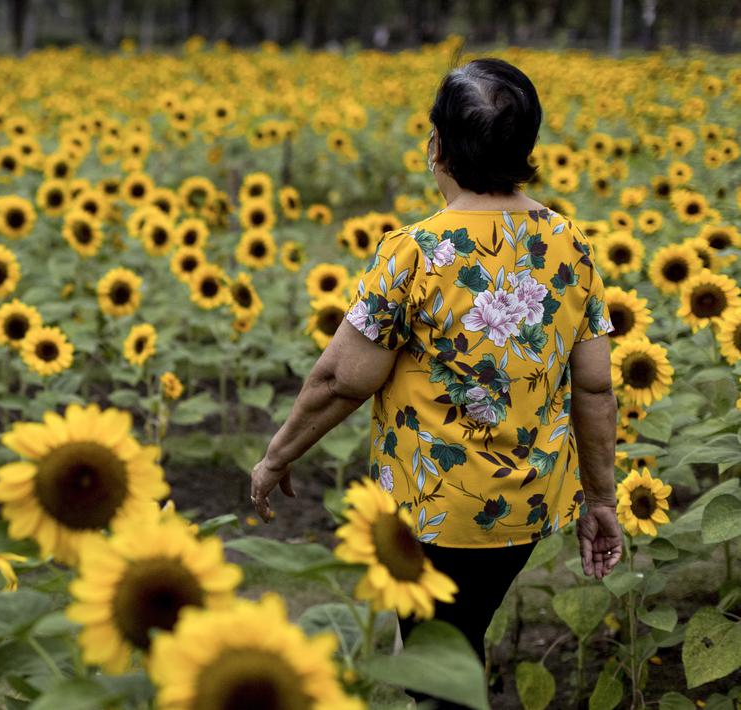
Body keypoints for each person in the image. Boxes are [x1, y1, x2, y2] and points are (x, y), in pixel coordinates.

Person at [251, 57, 623, 702]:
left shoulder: (418, 251)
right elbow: (594, 386)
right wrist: (601, 500)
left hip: (436, 512)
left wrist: (277, 454)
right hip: (527, 505)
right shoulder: (568, 241)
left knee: (437, 671)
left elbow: (342, 378)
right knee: (447, 643)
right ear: (527, 149)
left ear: (437, 148)